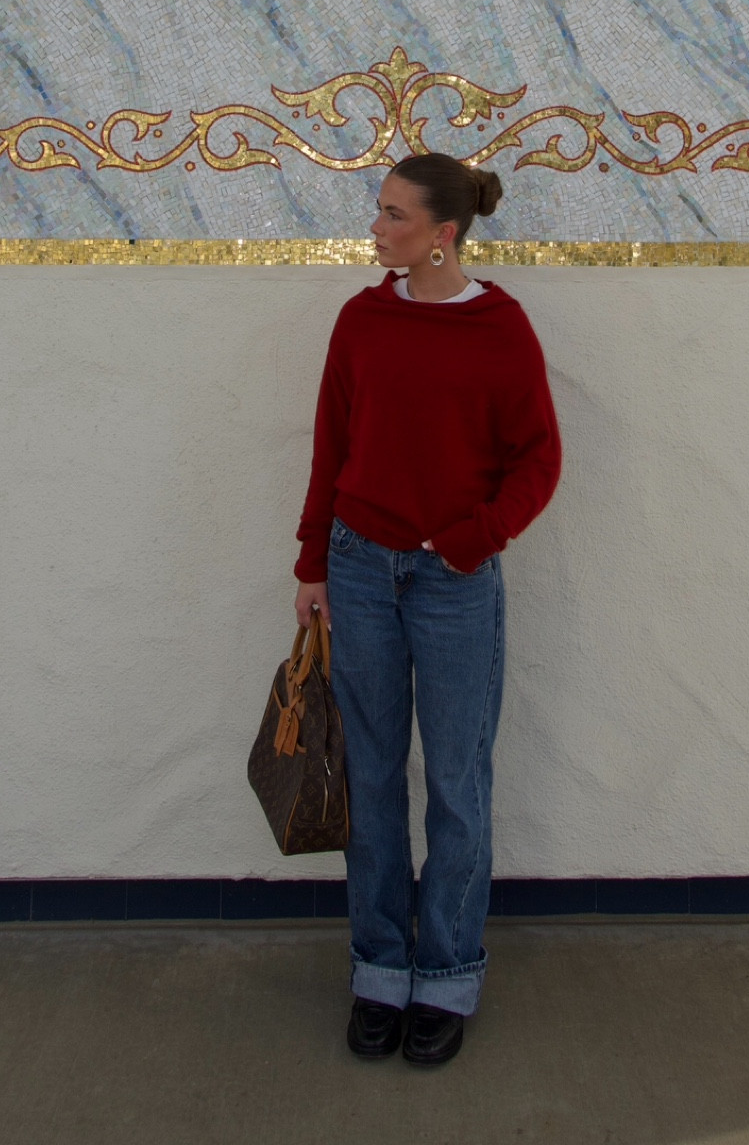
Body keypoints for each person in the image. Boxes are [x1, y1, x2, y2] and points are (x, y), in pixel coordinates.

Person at [293, 152, 562, 1066]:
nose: (376, 228)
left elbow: (539, 461)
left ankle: (445, 976)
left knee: (456, 783)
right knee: (369, 779)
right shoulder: (362, 319)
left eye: (394, 215)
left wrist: (471, 539)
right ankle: (378, 969)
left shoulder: (500, 329)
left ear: (444, 234)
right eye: (378, 210)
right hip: (359, 570)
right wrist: (312, 565)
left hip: (453, 586)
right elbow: (333, 445)